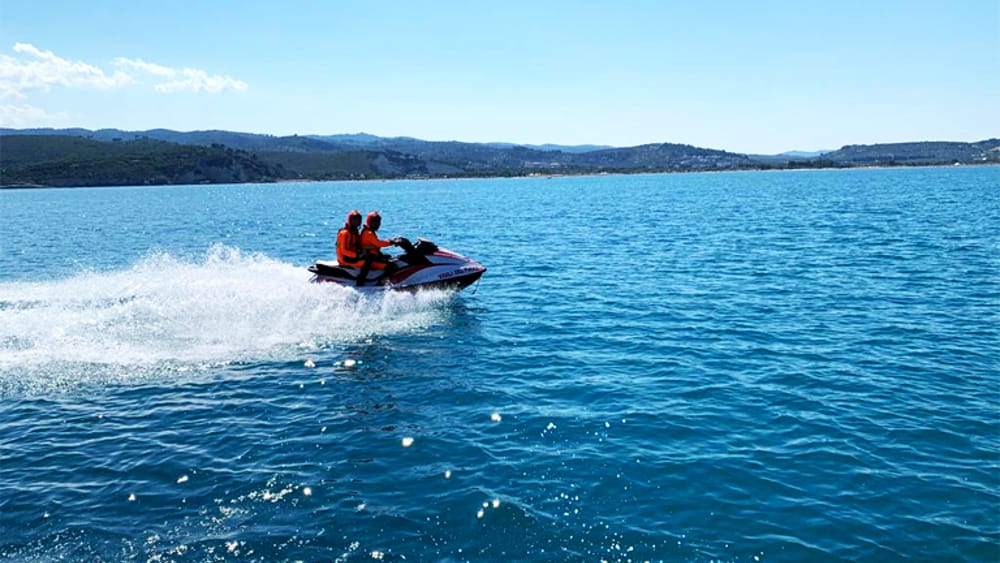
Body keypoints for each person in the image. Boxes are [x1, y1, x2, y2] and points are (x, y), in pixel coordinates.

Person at [357, 211, 399, 284]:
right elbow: (378, 243)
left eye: (378, 222)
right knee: (392, 266)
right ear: (369, 222)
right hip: (370, 259)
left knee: (390, 257)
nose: (377, 224)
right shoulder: (368, 233)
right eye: (375, 222)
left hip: (373, 256)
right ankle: (381, 283)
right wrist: (391, 242)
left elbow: (375, 246)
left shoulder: (368, 231)